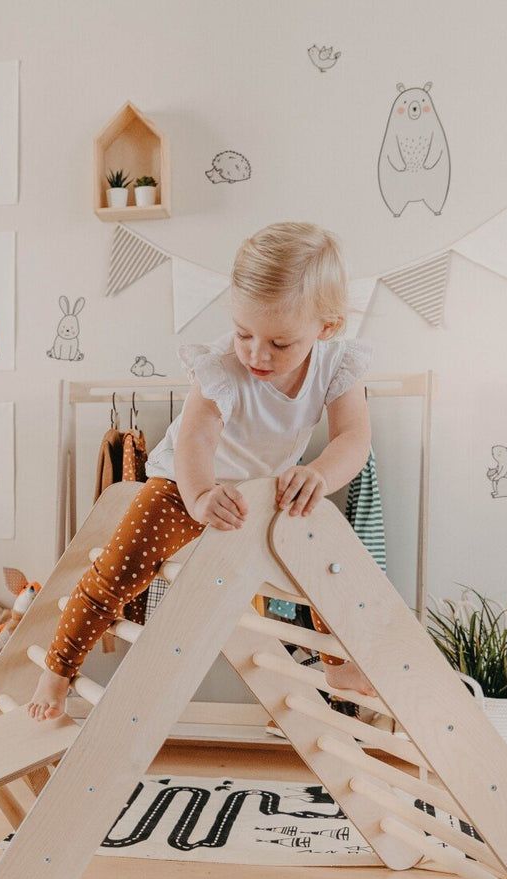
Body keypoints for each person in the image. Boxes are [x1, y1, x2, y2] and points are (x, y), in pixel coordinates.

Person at [28, 221, 376, 721]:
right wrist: (198, 495)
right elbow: (196, 439)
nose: (257, 353)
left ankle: (340, 664)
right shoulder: (221, 366)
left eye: (280, 344)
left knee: (326, 553)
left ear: (326, 328)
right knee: (120, 570)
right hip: (185, 483)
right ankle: (57, 671)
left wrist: (319, 472)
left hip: (263, 489)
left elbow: (352, 437)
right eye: (244, 333)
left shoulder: (339, 364)